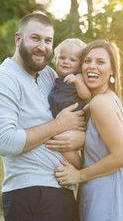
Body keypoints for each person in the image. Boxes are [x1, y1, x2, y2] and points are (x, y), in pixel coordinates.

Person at [0, 12, 86, 221]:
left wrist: (80, 138)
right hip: (29, 192)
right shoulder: (2, 79)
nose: (42, 46)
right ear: (18, 39)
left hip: (62, 189)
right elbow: (6, 142)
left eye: (48, 40)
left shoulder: (49, 75)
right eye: (35, 38)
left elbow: (72, 116)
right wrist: (58, 126)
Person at [54, 40, 123, 221]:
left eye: (100, 62)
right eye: (87, 61)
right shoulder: (100, 101)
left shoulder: (101, 103)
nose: (92, 67)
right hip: (98, 192)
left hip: (106, 197)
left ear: (112, 70)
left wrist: (79, 175)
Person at [48, 38, 91, 169]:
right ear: (56, 59)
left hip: (74, 121)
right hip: (61, 122)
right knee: (59, 146)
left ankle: (82, 169)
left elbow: (86, 95)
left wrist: (77, 81)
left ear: (79, 65)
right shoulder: (57, 79)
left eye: (72, 60)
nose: (66, 62)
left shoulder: (78, 77)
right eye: (62, 57)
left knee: (65, 148)